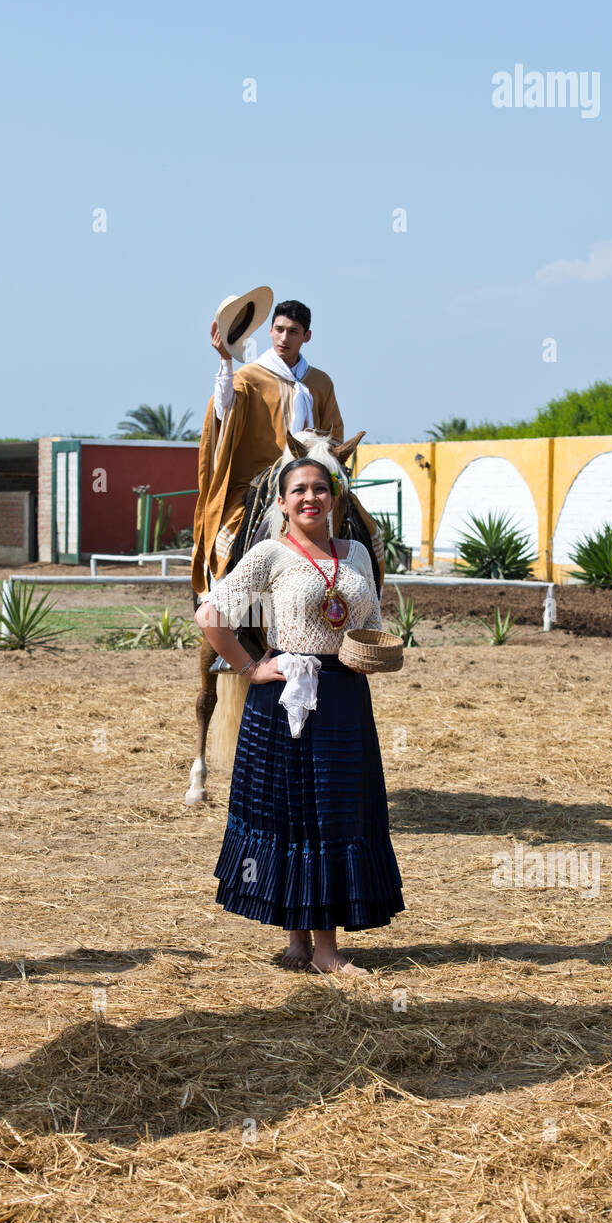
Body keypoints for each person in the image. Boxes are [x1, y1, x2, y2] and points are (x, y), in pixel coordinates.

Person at [194, 454, 405, 976]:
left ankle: (327, 951)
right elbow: (210, 615)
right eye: (299, 490)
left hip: (344, 697)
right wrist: (248, 669)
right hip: (285, 694)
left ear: (333, 498)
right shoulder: (268, 553)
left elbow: (371, 619)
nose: (310, 497)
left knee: (334, 816)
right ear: (283, 502)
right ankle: (297, 941)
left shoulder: (355, 553)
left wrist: (373, 653)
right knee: (290, 814)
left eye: (320, 489)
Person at [191, 299, 344, 597]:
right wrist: (225, 362)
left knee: (363, 527)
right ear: (271, 331)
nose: (284, 338)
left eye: (293, 332)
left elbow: (334, 435)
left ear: (307, 336)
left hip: (313, 477)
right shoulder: (250, 377)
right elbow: (224, 410)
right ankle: (223, 608)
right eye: (279, 330)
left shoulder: (321, 382)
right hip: (258, 481)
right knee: (229, 539)